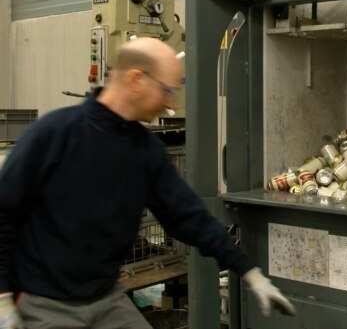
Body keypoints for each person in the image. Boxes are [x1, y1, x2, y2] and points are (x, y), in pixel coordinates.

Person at [0, 37, 295, 329]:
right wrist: (2, 298)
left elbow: (187, 216)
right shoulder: (55, 134)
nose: (171, 104)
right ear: (136, 79)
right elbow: (3, 212)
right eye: (167, 90)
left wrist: (248, 271)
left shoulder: (144, 150)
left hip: (105, 299)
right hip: (45, 304)